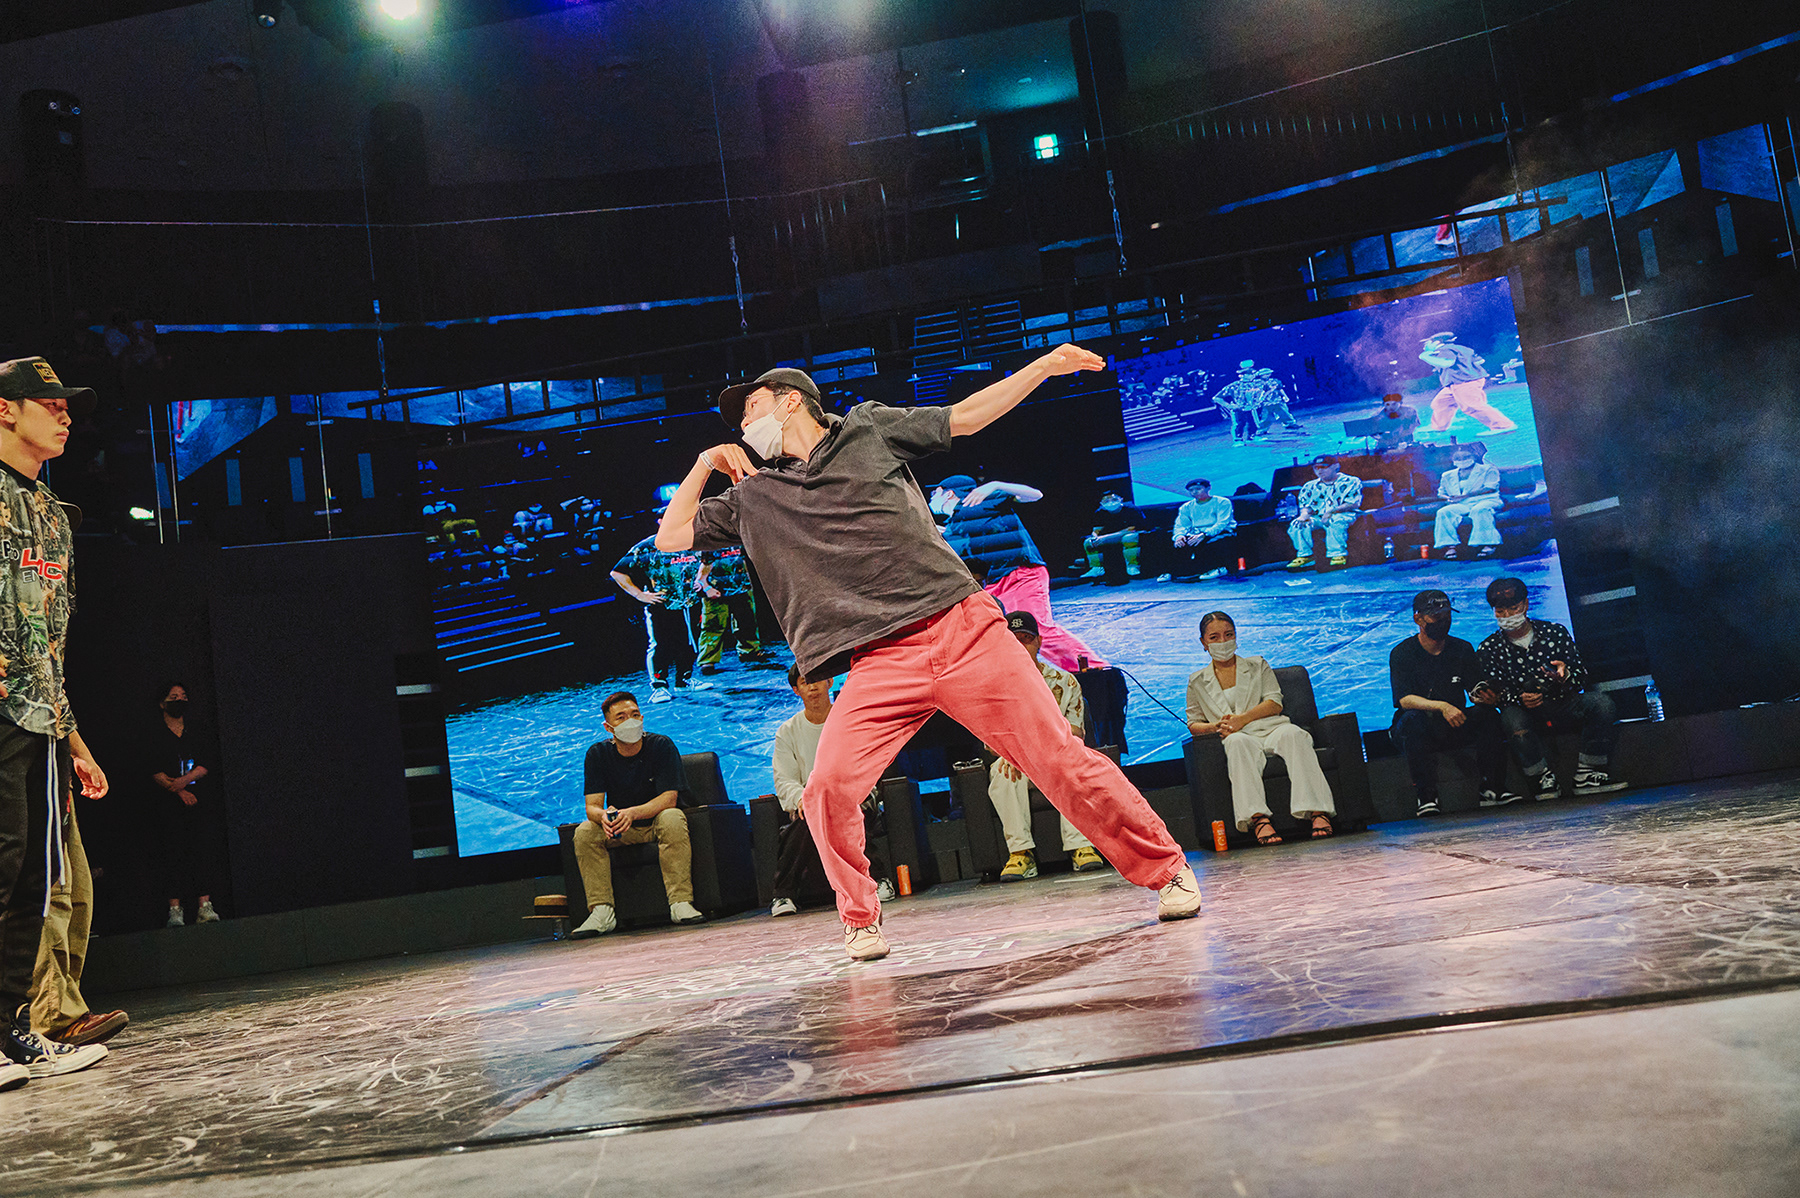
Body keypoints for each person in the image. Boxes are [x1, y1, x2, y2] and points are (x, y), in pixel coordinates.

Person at [655, 355, 1201, 961]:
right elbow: (669, 537)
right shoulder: (757, 496)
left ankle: (1167, 869)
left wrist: (1045, 367)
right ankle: (860, 918)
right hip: (879, 660)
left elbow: (964, 417)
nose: (742, 424)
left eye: (751, 406)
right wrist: (705, 463)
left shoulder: (866, 429)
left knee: (1059, 759)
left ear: (790, 400)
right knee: (826, 789)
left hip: (961, 628)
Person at [0, 356, 112, 1086]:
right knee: (4, 865)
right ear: (5, 410)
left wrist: (73, 740)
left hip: (38, 721)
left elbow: (48, 641)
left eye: (68, 406)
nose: (66, 415)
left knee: (33, 878)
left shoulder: (51, 513)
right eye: (50, 403)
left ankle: (11, 1031)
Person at [1185, 612, 1336, 842]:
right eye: (1214, 637)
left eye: (1228, 635)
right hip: (1237, 735)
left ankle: (1318, 812)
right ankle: (1258, 819)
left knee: (1295, 735)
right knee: (1237, 744)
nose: (1223, 642)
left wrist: (1242, 719)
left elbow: (1274, 703)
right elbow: (1194, 723)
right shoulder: (1197, 681)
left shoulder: (1257, 665)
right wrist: (1216, 726)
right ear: (1204, 643)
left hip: (1271, 728)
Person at [933, 474, 1106, 671]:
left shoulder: (986, 500)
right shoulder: (954, 524)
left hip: (1021, 574)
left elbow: (1035, 495)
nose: (931, 499)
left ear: (949, 493)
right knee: (997, 635)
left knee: (1038, 630)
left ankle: (1097, 671)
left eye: (935, 493)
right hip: (993, 583)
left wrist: (995, 485)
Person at [568, 692, 706, 937]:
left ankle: (680, 903)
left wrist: (631, 813)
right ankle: (601, 911)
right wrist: (604, 816)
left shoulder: (661, 745)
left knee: (672, 816)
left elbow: (669, 798)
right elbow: (592, 806)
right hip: (623, 830)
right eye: (621, 717)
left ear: (642, 718)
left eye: (634, 715)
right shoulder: (597, 754)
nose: (630, 721)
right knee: (585, 832)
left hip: (656, 823)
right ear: (608, 727)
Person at [1474, 577, 1626, 798]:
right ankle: (1540, 778)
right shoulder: (1489, 648)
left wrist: (1564, 677)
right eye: (1500, 611)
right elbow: (1496, 691)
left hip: (1561, 702)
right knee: (1511, 718)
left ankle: (1589, 771)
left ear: (1525, 604)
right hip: (1523, 711)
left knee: (1601, 703)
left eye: (1513, 608)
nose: (1507, 615)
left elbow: (1581, 675)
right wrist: (1518, 698)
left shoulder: (1554, 632)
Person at [988, 611, 1108, 879]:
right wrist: (1018, 754)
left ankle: (1081, 846)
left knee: (1070, 762)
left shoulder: (1065, 681)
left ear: (1039, 642)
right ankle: (1021, 853)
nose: (1021, 645)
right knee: (1001, 771)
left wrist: (1038, 745)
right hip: (1019, 761)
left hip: (1058, 753)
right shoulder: (992, 687)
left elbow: (1076, 731)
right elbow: (991, 741)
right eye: (1014, 640)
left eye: (1026, 639)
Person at [770, 664, 894, 916]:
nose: (812, 687)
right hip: (810, 806)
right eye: (804, 682)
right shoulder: (788, 732)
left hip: (854, 797)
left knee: (841, 812)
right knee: (813, 816)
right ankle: (783, 896)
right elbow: (784, 780)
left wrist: (843, 795)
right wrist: (804, 800)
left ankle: (879, 881)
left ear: (829, 682)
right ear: (796, 690)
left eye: (817, 680)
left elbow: (866, 763)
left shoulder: (849, 721)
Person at [1388, 590, 1520, 816]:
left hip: (1454, 721)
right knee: (1413, 720)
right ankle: (1426, 796)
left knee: (1488, 715)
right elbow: (1404, 699)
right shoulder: (1402, 653)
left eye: (1446, 616)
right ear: (1418, 619)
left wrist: (1485, 697)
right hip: (1419, 723)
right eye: (1436, 617)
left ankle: (1492, 787)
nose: (1443, 622)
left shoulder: (1462, 649)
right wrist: (1442, 706)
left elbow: (1474, 688)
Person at [148, 682, 223, 927]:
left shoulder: (196, 730)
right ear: (162, 703)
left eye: (183, 696)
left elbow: (205, 763)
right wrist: (179, 790)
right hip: (168, 806)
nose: (179, 700)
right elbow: (155, 771)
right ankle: (175, 910)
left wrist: (185, 780)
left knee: (201, 850)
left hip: (199, 801)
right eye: (173, 697)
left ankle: (204, 906)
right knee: (173, 852)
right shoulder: (155, 733)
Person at [610, 535, 712, 702]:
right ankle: (659, 687)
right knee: (660, 645)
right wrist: (639, 594)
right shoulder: (648, 546)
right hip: (661, 606)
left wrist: (701, 580)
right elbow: (617, 572)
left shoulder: (691, 540)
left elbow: (709, 559)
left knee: (689, 642)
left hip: (689, 603)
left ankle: (684, 680)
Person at [1419, 332, 1516, 434]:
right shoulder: (1462, 349)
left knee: (1471, 405)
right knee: (1441, 403)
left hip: (1463, 382)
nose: (1424, 347)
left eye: (1427, 343)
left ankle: (1503, 425)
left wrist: (1425, 356)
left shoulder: (1444, 349)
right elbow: (1480, 361)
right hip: (1460, 382)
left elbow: (1447, 363)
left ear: (1437, 342)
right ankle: (1439, 426)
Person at [693, 545, 766, 675]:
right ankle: (707, 660)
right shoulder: (708, 539)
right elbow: (702, 563)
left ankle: (749, 650)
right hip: (715, 588)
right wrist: (706, 587)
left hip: (740, 584)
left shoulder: (738, 536)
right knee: (713, 624)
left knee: (747, 620)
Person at [1285, 455, 1363, 570]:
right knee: (1298, 524)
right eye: (1316, 468)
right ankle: (1306, 555)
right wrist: (1304, 515)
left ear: (1335, 466)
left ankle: (1338, 554)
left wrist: (1331, 511)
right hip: (1318, 517)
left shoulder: (1351, 481)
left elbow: (1354, 503)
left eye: (1324, 467)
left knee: (1335, 520)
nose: (1319, 471)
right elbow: (1306, 506)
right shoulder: (1309, 486)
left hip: (1345, 514)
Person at [1433, 445, 1503, 560]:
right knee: (1443, 512)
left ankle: (1488, 544)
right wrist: (1449, 498)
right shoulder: (1447, 475)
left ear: (1473, 457)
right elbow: (1441, 493)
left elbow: (1490, 488)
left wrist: (1464, 496)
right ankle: (1450, 546)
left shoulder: (1488, 469)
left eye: (1465, 457)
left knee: (1479, 510)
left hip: (1486, 500)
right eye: (1458, 458)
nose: (1462, 461)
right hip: (1462, 504)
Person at [1168, 478, 1236, 582]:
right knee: (1179, 544)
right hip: (1197, 533)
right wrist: (1179, 536)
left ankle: (1219, 568)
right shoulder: (1186, 507)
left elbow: (1222, 523)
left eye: (1198, 489)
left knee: (1212, 543)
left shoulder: (1222, 502)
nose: (1194, 492)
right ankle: (1182, 572)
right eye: (1191, 490)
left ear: (1208, 488)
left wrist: (1205, 534)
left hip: (1222, 531)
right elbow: (1181, 525)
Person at [1081, 491, 1146, 580]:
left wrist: (1105, 537)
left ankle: (1133, 566)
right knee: (1088, 542)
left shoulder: (1131, 509)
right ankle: (1097, 568)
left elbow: (1131, 529)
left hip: (1133, 534)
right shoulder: (1100, 512)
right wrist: (1095, 537)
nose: (1110, 502)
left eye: (1114, 499)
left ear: (1121, 499)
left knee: (1128, 538)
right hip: (1111, 536)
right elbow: (1096, 530)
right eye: (1106, 501)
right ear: (1101, 503)